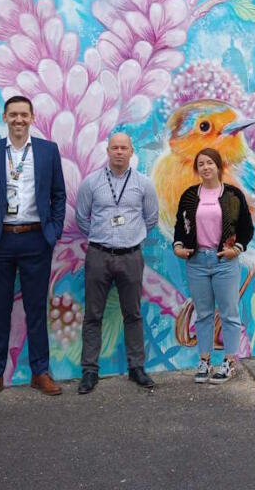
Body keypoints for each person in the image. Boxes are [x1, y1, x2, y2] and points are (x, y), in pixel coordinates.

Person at [0, 95, 67, 402]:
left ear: (32, 117)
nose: (18, 119)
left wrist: (51, 232)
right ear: (4, 117)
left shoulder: (47, 151)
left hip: (35, 238)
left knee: (36, 308)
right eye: (13, 114)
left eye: (23, 114)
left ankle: (41, 372)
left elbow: (58, 195)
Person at [74, 133, 158, 393]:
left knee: (132, 313)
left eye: (124, 148)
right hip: (98, 255)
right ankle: (89, 371)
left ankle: (136, 367)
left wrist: (130, 236)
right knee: (93, 315)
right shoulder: (91, 183)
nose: (119, 152)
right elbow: (81, 218)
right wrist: (102, 236)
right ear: (107, 151)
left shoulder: (144, 184)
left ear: (132, 151)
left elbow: (151, 218)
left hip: (131, 256)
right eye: (114, 148)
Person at [172, 148, 254, 384]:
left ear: (218, 167)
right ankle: (204, 361)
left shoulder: (233, 195)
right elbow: (180, 226)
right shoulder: (189, 196)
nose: (205, 167)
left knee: (229, 313)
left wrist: (236, 249)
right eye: (201, 164)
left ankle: (229, 362)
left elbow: (247, 229)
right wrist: (178, 246)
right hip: (196, 262)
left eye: (210, 163)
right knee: (204, 313)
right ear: (196, 169)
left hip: (224, 261)